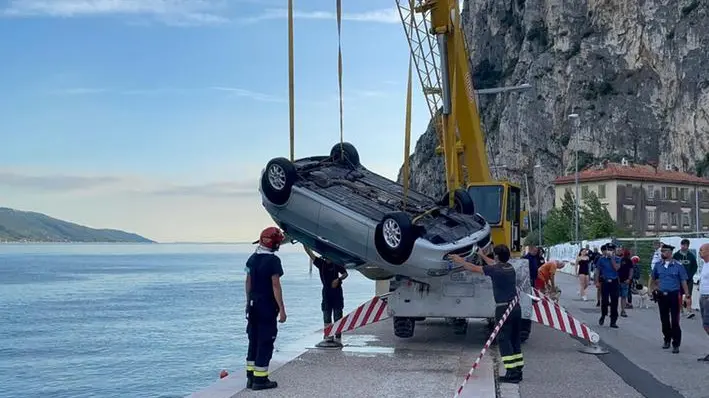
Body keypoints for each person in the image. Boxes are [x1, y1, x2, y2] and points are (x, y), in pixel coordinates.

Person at [449, 244, 523, 383]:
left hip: (503, 309)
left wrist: (460, 260)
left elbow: (473, 268)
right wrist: (481, 255)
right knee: (514, 339)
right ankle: (518, 370)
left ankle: (511, 373)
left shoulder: (496, 270)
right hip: (515, 308)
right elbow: (493, 264)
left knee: (504, 340)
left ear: (496, 256)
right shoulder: (509, 268)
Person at [245, 227, 288, 390]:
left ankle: (250, 377)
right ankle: (260, 380)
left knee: (253, 341)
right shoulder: (273, 261)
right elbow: (275, 286)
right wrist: (282, 309)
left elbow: (248, 282)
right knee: (265, 341)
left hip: (253, 305)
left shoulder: (252, 259)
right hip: (266, 307)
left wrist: (247, 302)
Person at [304, 246, 348, 347]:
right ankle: (328, 334)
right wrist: (305, 243)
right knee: (326, 314)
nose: (328, 259)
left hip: (337, 292)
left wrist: (339, 279)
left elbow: (345, 274)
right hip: (326, 292)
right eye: (326, 257)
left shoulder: (336, 263)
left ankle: (338, 335)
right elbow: (310, 253)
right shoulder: (321, 264)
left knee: (338, 314)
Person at [650, 243, 691, 354]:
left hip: (674, 295)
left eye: (664, 251)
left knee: (675, 320)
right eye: (661, 251)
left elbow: (683, 281)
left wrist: (687, 294)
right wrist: (652, 289)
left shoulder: (678, 265)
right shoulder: (658, 265)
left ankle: (676, 343)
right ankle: (667, 339)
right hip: (662, 295)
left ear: (670, 252)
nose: (662, 253)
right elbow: (653, 278)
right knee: (664, 319)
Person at [595, 243, 621, 328]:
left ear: (614, 251)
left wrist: (612, 259)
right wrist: (597, 281)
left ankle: (613, 321)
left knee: (614, 301)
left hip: (614, 281)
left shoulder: (617, 259)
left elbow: (616, 268)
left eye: (611, 249)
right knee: (605, 301)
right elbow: (598, 271)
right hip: (605, 281)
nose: (609, 251)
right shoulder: (601, 259)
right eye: (608, 249)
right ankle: (603, 315)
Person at [673, 239, 699, 318]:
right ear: (680, 245)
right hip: (678, 280)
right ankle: (681, 310)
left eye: (686, 245)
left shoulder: (691, 256)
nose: (684, 247)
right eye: (683, 245)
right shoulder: (676, 255)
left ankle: (689, 311)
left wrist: (690, 275)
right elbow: (673, 266)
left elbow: (695, 267)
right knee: (679, 295)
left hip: (688, 279)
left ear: (688, 246)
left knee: (688, 295)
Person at [697, 243, 709, 362]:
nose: (700, 252)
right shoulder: (705, 264)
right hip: (703, 296)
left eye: (702, 250)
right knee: (705, 325)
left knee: (707, 325)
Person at [618, 247, 634, 317]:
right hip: (618, 280)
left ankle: (623, 310)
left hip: (625, 281)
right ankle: (614, 311)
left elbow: (631, 270)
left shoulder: (629, 261)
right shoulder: (618, 260)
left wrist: (629, 279)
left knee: (624, 296)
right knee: (616, 296)